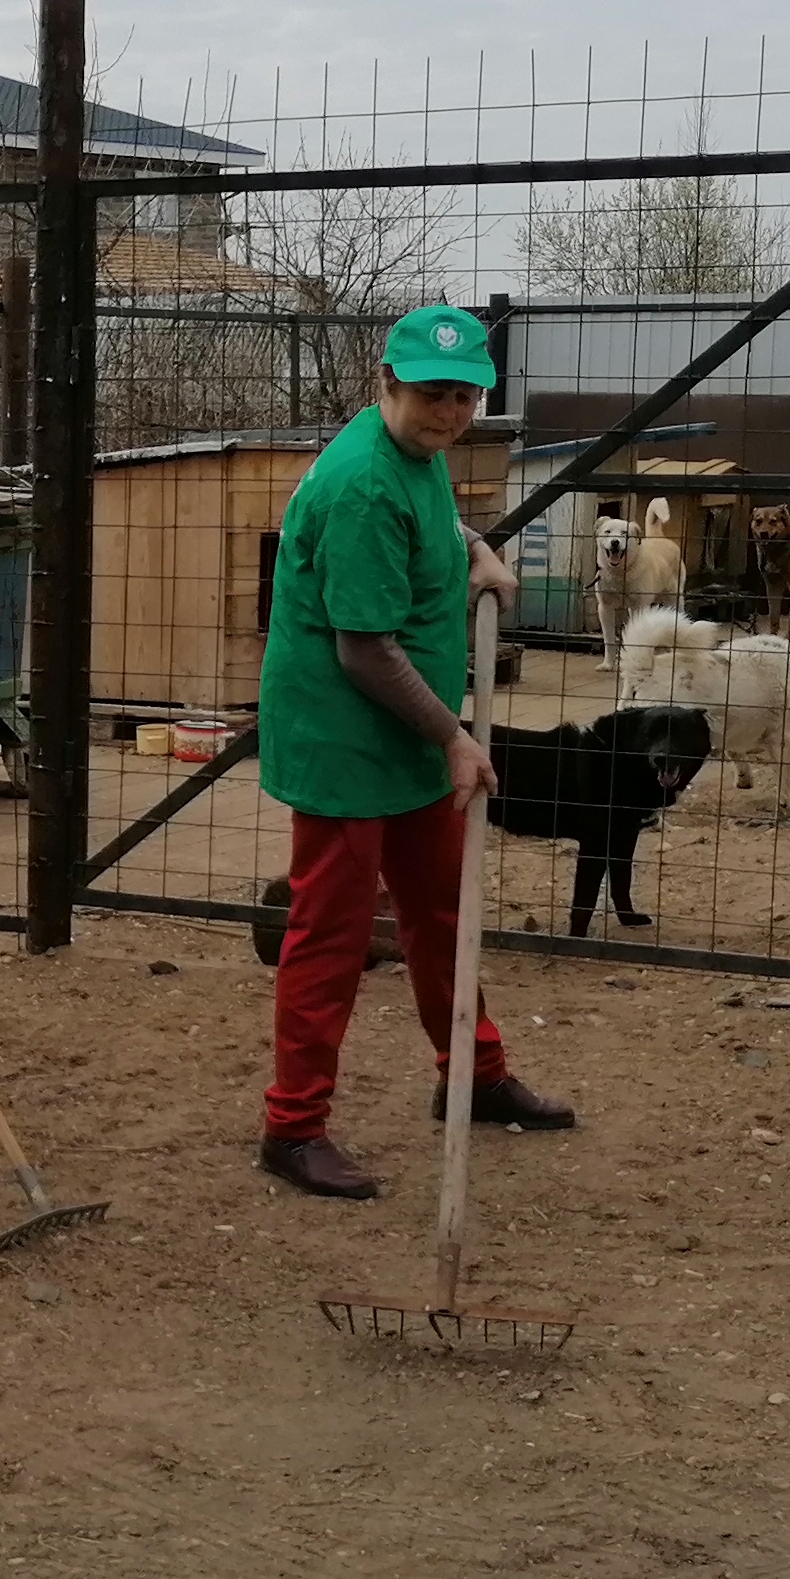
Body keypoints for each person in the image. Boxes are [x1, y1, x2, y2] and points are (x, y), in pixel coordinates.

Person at [253, 303, 574, 1199]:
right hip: (348, 738)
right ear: (384, 383)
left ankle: (473, 1075)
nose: (450, 413)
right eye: (433, 395)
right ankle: (293, 1127)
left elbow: (427, 520)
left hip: (413, 732)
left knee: (441, 908)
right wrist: (457, 738)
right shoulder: (360, 480)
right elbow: (364, 650)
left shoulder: (415, 450)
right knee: (333, 934)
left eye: (467, 396)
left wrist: (476, 547)